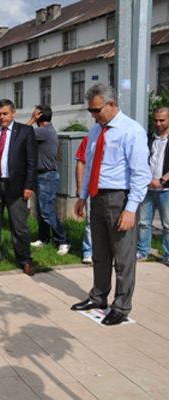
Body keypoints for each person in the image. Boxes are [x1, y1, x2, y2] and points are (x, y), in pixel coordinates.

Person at [72, 83, 150, 326]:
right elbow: (90, 164)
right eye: (91, 111)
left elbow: (141, 174)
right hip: (97, 196)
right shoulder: (97, 131)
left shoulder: (131, 131)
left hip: (120, 198)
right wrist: (83, 196)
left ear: (112, 104)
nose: (94, 116)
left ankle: (121, 306)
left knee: (124, 257)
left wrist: (130, 209)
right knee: (100, 254)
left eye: (97, 110)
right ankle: (98, 296)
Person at [0, 99, 37, 275]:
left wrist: (29, 186)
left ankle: (25, 259)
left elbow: (31, 162)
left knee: (19, 226)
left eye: (5, 114)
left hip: (16, 186)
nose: (2, 117)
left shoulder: (25, 131)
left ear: (13, 113)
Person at [27, 105, 70, 255]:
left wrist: (32, 119)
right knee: (41, 210)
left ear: (39, 116)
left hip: (47, 176)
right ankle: (44, 238)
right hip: (42, 175)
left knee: (47, 211)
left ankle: (63, 240)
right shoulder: (46, 131)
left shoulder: (44, 132)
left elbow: (21, 132)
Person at [137, 107, 169, 263]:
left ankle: (167, 254)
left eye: (162, 120)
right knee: (143, 222)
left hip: (165, 189)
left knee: (168, 224)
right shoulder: (148, 138)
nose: (158, 123)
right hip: (147, 188)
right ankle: (143, 251)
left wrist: (162, 180)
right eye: (155, 120)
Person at [75, 136, 93, 264]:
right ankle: (88, 251)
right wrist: (80, 188)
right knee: (90, 221)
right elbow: (81, 162)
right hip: (92, 187)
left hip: (112, 188)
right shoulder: (89, 138)